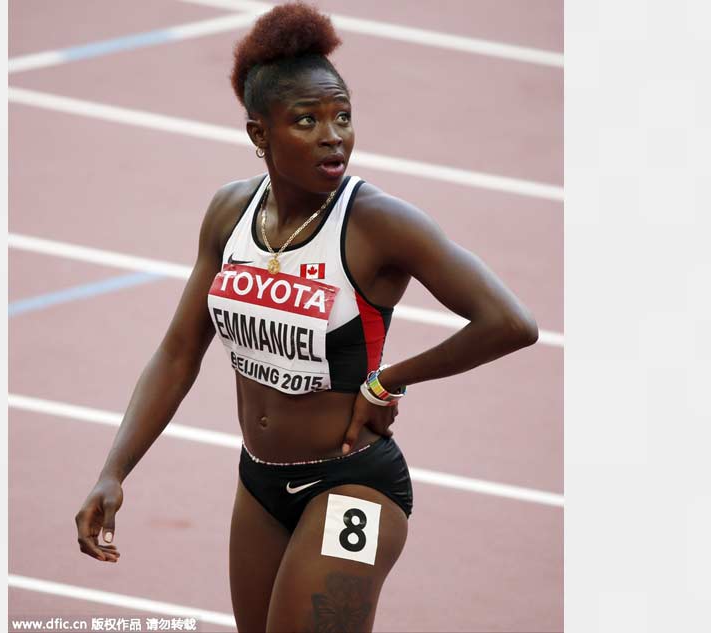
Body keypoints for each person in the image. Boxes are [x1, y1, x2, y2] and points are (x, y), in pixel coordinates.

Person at [75, 2, 539, 631]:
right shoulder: (229, 213)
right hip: (260, 482)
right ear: (259, 135)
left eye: (343, 116)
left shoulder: (377, 222)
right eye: (307, 120)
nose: (334, 135)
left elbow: (510, 322)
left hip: (355, 486)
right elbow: (180, 350)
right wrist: (113, 470)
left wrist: (390, 378)